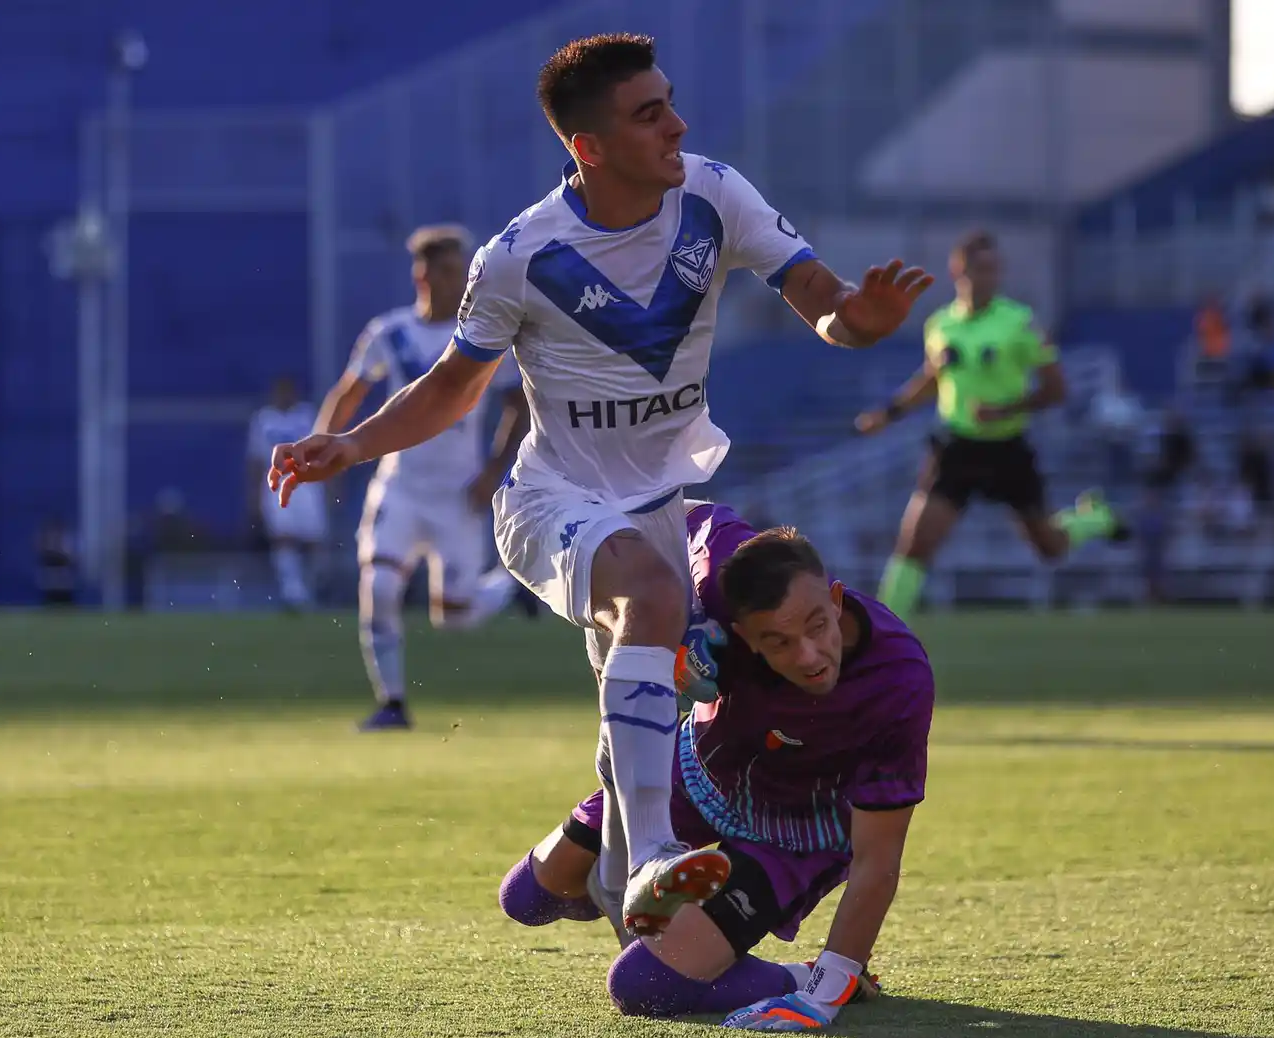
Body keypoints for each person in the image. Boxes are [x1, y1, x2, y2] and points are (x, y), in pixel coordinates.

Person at [268, 33, 933, 936]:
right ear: (588, 144)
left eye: (670, 102)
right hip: (550, 502)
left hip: (658, 506)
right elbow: (453, 389)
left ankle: (588, 883)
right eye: (649, 112)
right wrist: (348, 444)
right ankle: (656, 852)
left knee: (641, 728)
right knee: (656, 606)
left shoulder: (715, 194)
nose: (677, 124)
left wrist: (860, 320)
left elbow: (822, 298)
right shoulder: (519, 256)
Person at [498, 501, 931, 1032]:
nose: (811, 655)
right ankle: (682, 912)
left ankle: (803, 976)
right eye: (779, 642)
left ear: (836, 599)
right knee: (528, 897)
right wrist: (688, 617)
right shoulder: (721, 566)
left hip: (795, 833)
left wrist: (823, 997)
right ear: (746, 634)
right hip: (696, 770)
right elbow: (673, 509)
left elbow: (878, 858)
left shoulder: (898, 679)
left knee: (641, 986)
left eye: (820, 626)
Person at [311, 225, 529, 731]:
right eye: (451, 270)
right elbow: (349, 392)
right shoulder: (390, 333)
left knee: (454, 617)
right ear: (422, 274)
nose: (462, 280)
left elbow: (519, 404)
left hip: (458, 492)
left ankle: (513, 590)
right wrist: (324, 443)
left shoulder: (481, 336)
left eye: (464, 269)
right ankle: (392, 703)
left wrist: (495, 470)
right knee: (380, 585)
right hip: (401, 487)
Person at [854, 230, 1126, 623]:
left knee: (1048, 546)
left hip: (1007, 447)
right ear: (957, 270)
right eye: (981, 269)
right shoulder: (940, 324)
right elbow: (932, 379)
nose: (990, 277)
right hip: (955, 446)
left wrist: (1006, 409)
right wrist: (890, 411)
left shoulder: (1019, 323)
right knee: (914, 545)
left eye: (995, 269)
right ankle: (882, 635)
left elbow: (1056, 389)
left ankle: (1095, 517)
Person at [248, 376, 324, 611]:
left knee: (313, 540)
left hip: (307, 482)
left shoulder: (308, 416)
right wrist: (253, 496)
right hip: (276, 482)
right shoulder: (263, 420)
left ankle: (311, 589)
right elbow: (255, 460)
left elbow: (323, 450)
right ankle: (292, 591)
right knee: (283, 536)